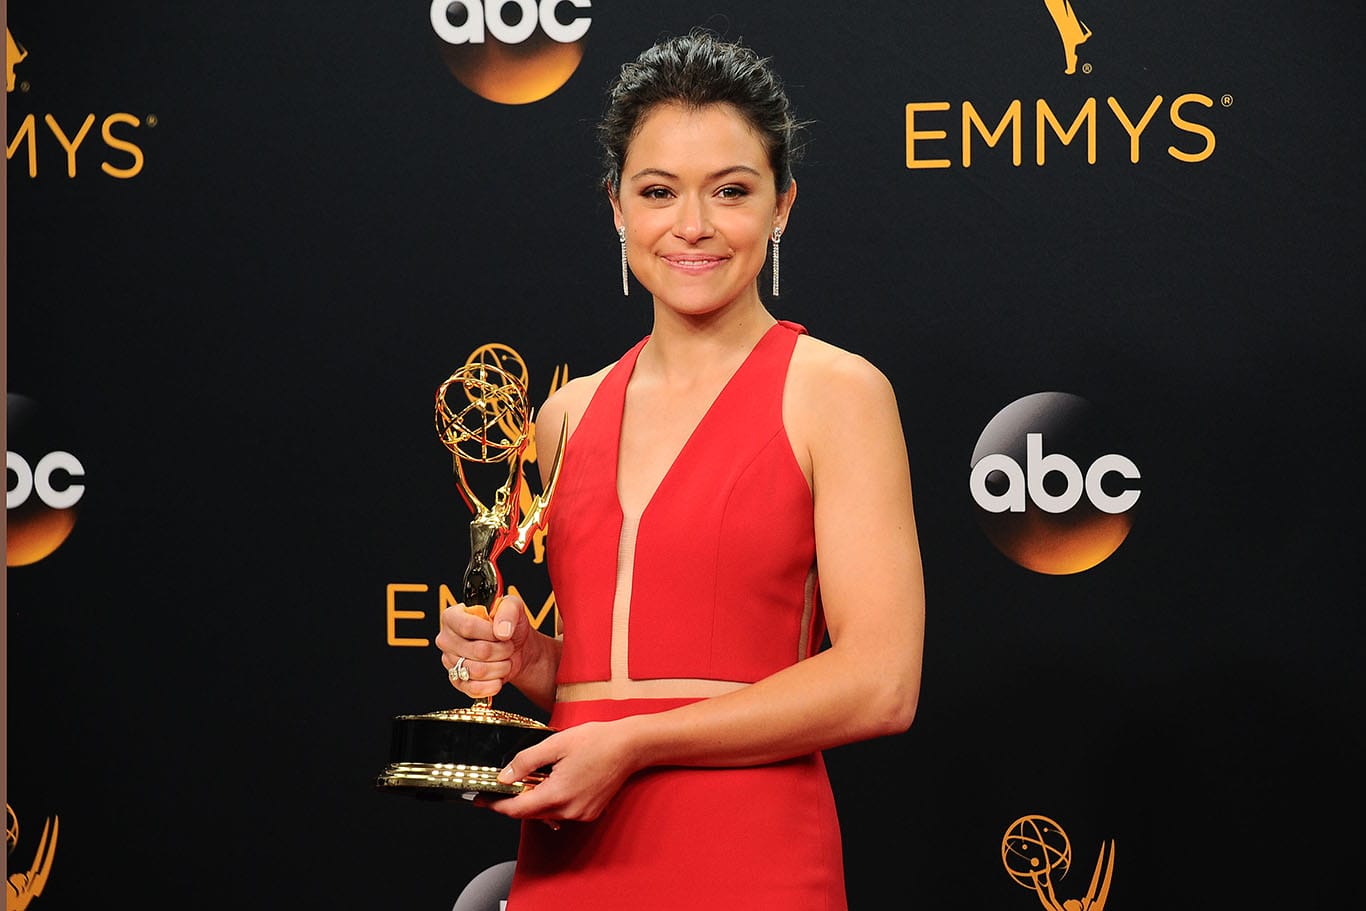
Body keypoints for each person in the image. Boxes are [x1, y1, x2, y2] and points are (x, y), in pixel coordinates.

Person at [436, 28, 926, 909]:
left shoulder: (836, 392)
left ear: (782, 208)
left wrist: (633, 744)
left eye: (730, 191)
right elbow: (612, 677)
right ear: (617, 207)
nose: (691, 226)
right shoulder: (563, 413)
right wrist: (526, 658)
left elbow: (881, 683)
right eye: (658, 191)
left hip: (750, 854)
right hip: (571, 857)